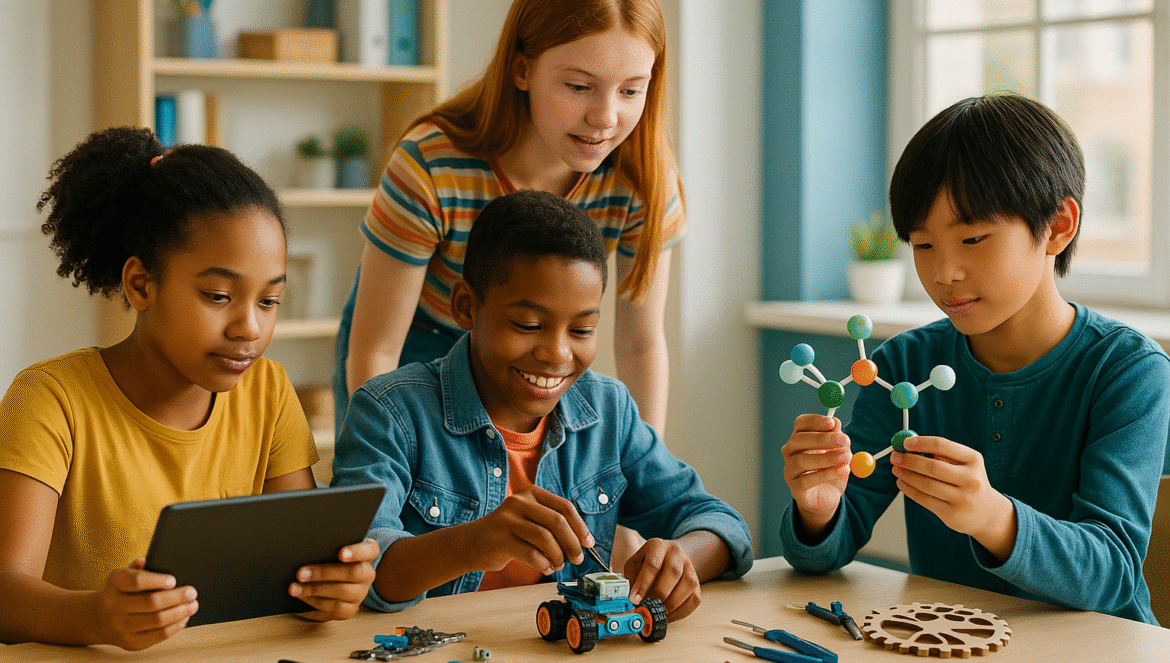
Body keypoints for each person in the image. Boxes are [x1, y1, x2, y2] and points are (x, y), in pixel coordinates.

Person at [778, 94, 1170, 625]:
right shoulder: (903, 367)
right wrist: (819, 511)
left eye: (973, 238)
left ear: (1058, 226)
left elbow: (1113, 572)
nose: (945, 273)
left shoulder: (1128, 371)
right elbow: (822, 553)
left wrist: (992, 516)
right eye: (923, 245)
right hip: (948, 643)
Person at [0, 127, 379, 650]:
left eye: (269, 301)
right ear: (141, 284)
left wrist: (332, 586)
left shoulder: (268, 392)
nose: (249, 327)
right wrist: (99, 618)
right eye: (218, 296)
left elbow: (298, 568)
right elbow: (5, 593)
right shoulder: (50, 400)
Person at [331, 190, 751, 622]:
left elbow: (719, 522)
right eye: (528, 324)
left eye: (582, 330)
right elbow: (361, 568)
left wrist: (680, 559)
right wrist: (475, 543)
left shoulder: (609, 410)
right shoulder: (390, 413)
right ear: (466, 307)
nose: (557, 353)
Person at [335, 0, 683, 440]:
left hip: (538, 356)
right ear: (522, 70)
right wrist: (381, 454)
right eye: (579, 86)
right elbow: (377, 350)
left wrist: (647, 469)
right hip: (417, 350)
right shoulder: (429, 165)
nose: (605, 117)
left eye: (630, 91)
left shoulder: (644, 179)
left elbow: (640, 344)